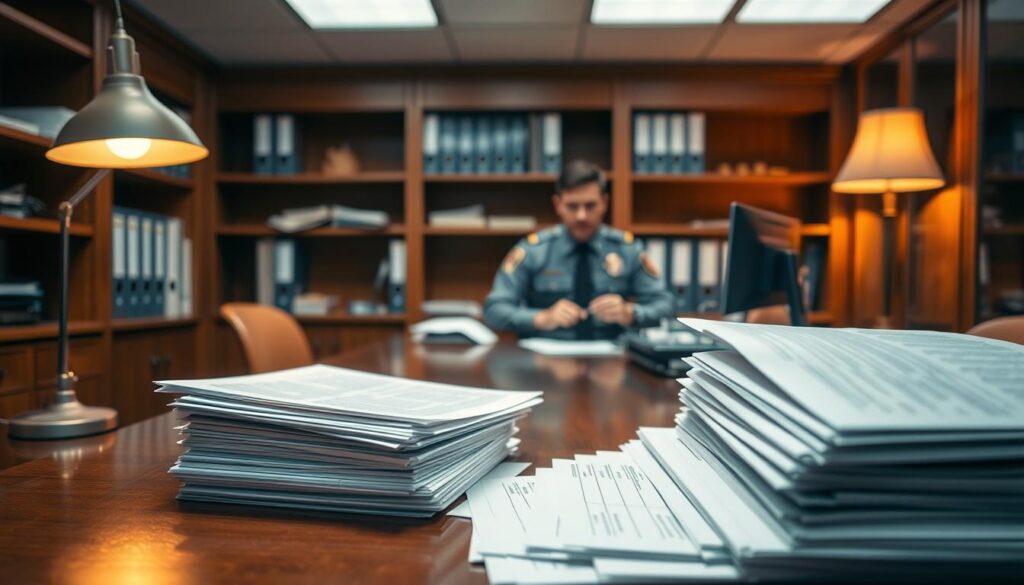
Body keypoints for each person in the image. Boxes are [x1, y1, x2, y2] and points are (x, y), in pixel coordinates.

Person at [484, 159, 675, 339]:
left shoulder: (627, 249)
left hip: (613, 358)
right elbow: (494, 310)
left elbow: (666, 304)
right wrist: (542, 318)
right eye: (572, 206)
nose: (581, 216)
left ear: (605, 203)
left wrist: (631, 313)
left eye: (590, 206)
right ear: (558, 205)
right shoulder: (534, 250)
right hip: (546, 358)